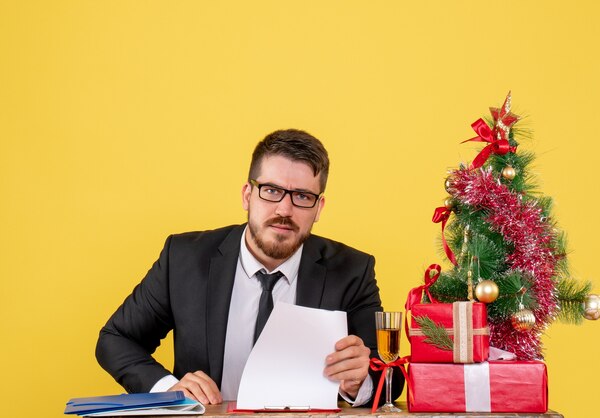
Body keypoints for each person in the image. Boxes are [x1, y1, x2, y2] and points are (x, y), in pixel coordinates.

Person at [96, 129, 403, 406]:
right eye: (271, 190)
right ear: (247, 195)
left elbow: (388, 372)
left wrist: (360, 381)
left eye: (302, 197)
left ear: (319, 207)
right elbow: (116, 339)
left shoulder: (351, 270)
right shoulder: (184, 259)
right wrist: (169, 388)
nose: (284, 210)